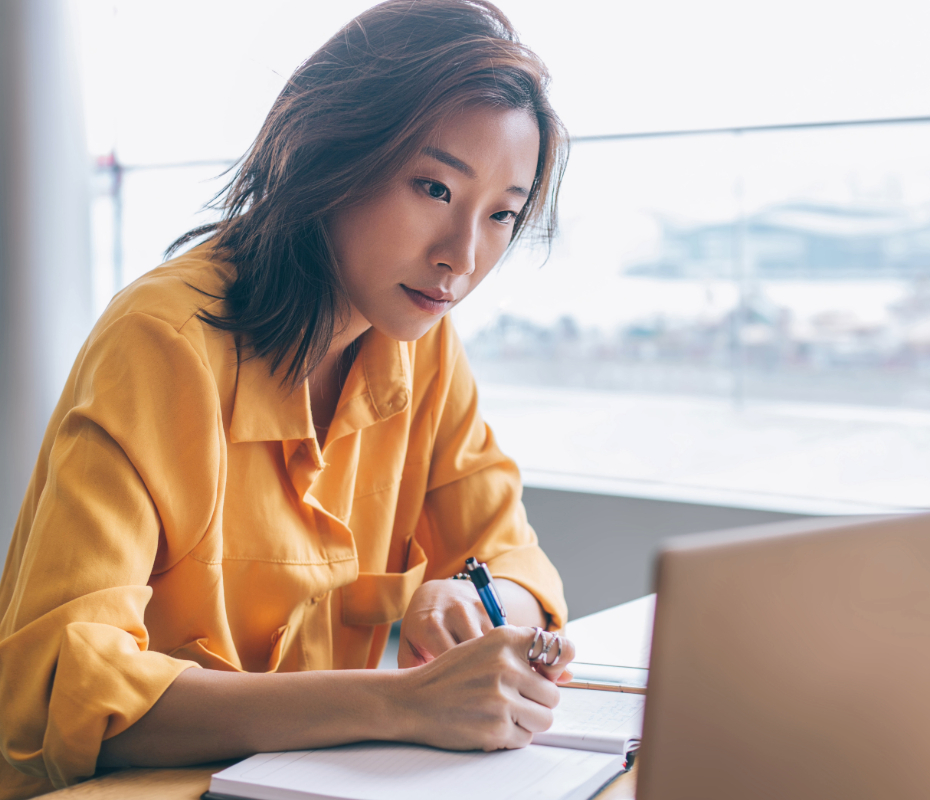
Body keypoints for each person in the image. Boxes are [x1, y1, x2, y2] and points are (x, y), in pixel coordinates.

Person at [0, 2, 577, 797]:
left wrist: (474, 601)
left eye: (503, 214)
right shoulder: (164, 343)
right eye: (434, 187)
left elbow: (515, 562)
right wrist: (401, 702)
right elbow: (59, 694)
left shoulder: (421, 343)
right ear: (330, 151)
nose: (462, 258)